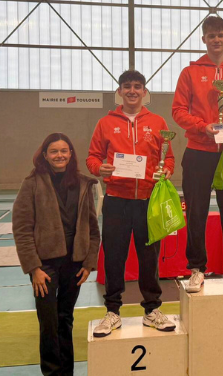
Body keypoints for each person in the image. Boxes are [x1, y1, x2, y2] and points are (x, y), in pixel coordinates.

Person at [87, 70, 177, 336]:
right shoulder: (105, 122)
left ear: (144, 91)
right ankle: (112, 312)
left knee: (149, 258)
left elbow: (168, 158)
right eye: (127, 86)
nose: (132, 91)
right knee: (114, 257)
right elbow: (92, 157)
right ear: (120, 91)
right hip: (117, 200)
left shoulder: (158, 121)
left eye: (137, 86)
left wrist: (167, 171)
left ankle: (152, 310)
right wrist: (99, 169)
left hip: (148, 201)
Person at [172, 15, 223, 292]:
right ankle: (196, 268)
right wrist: (203, 127)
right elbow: (178, 111)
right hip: (199, 151)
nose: (216, 40)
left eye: (220, 35)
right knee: (196, 212)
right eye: (211, 36)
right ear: (204, 39)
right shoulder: (190, 72)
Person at [13, 133, 100, 375]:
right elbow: (21, 229)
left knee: (65, 319)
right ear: (45, 155)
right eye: (54, 151)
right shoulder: (31, 183)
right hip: (44, 268)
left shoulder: (84, 183)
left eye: (64, 150)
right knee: (49, 324)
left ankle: (67, 371)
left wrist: (89, 261)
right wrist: (34, 268)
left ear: (71, 154)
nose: (59, 155)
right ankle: (52, 372)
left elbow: (93, 229)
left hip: (74, 264)